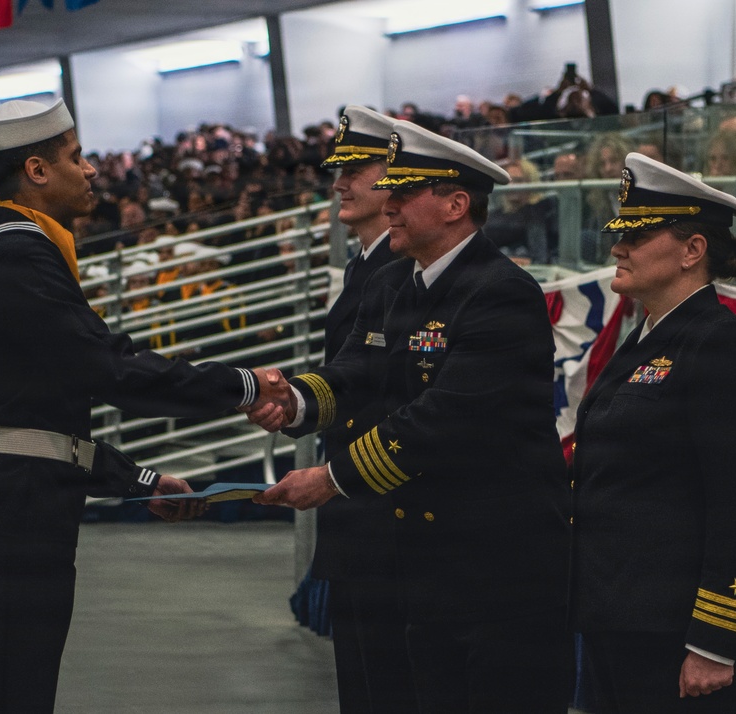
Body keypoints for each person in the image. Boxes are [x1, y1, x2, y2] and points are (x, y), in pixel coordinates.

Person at [0, 98, 289, 713]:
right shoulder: (16, 251)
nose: (91, 169)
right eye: (77, 156)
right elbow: (105, 368)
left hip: (3, 502)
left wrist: (140, 479)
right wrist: (243, 386)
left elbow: (34, 421)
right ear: (37, 171)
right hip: (10, 516)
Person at [247, 120, 571, 713]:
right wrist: (292, 400)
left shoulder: (501, 290)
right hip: (423, 559)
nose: (388, 204)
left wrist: (331, 477)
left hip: (499, 564)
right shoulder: (395, 280)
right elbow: (353, 375)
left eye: (404, 192)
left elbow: (446, 416)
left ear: (455, 204)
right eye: (388, 189)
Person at [572, 152, 736, 713]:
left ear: (693, 250)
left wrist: (713, 642)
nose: (618, 247)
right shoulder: (646, 341)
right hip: (623, 621)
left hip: (678, 637)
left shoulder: (722, 344)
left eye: (638, 235)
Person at [308, 105, 412, 714]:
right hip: (356, 505)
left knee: (385, 685)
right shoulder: (368, 267)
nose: (340, 183)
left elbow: (384, 395)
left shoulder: (400, 270)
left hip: (383, 512)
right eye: (338, 171)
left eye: (357, 169)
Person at [483, 156, 559, 264]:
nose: (512, 187)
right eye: (508, 182)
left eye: (518, 181)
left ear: (530, 182)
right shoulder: (494, 215)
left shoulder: (539, 213)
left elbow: (539, 256)